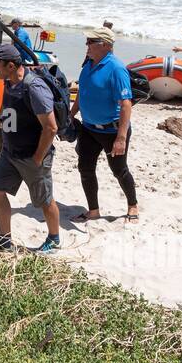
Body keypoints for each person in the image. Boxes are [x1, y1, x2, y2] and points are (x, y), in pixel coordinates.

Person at [0, 43, 60, 253]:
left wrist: (38, 158)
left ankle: (54, 239)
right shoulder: (9, 82)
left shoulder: (34, 88)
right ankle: (4, 240)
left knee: (44, 200)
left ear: (11, 66)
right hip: (10, 153)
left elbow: (51, 128)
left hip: (33, 155)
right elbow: (11, 114)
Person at [71, 25, 137, 221]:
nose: (87, 45)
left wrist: (121, 138)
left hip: (112, 132)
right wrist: (71, 115)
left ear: (106, 45)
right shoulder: (88, 65)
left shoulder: (116, 69)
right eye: (87, 41)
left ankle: (132, 206)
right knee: (85, 168)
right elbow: (81, 93)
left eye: (91, 42)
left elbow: (126, 105)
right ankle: (93, 211)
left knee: (119, 170)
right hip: (88, 129)